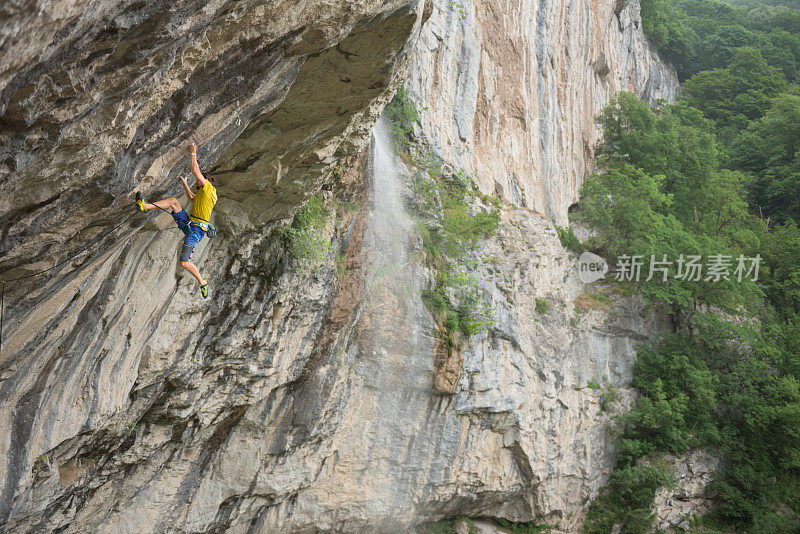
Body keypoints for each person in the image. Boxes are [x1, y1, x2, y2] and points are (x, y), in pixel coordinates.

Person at [135, 142, 217, 298]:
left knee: (184, 263)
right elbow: (192, 200)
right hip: (190, 224)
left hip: (196, 231)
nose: (196, 182)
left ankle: (202, 282)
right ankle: (143, 206)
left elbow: (195, 170)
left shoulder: (208, 188)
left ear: (205, 181)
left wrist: (193, 152)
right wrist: (186, 185)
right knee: (174, 202)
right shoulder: (205, 195)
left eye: (198, 181)